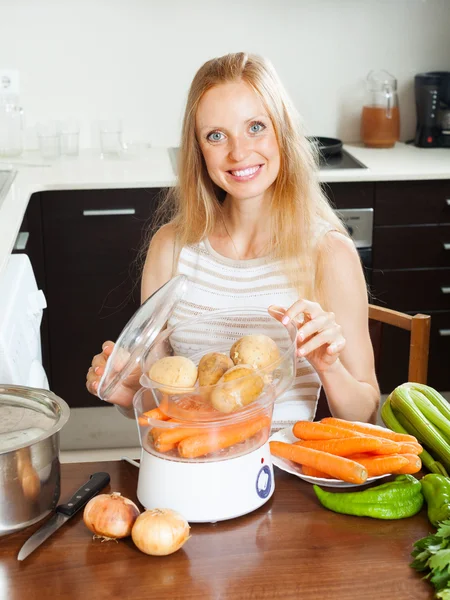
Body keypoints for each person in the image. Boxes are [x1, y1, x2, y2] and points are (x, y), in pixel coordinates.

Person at [86, 52, 380, 428]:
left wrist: (328, 365)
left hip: (281, 470)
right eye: (216, 136)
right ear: (198, 151)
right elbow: (155, 397)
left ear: (282, 132)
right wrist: (126, 392)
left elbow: (366, 410)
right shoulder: (171, 247)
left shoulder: (327, 252)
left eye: (255, 127)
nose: (238, 152)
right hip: (190, 459)